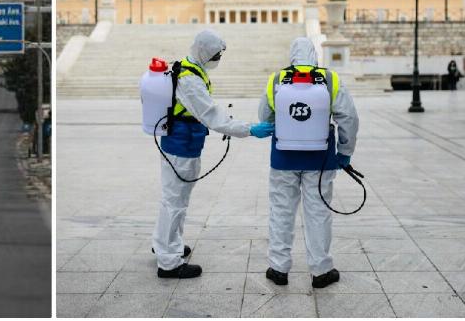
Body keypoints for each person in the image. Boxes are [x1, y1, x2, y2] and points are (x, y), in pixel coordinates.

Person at [154, 29, 274, 279]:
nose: (218, 58)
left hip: (183, 142)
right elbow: (212, 116)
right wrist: (249, 129)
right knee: (175, 201)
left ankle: (168, 245)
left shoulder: (190, 68)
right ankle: (168, 262)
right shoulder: (190, 80)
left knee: (174, 199)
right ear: (204, 52)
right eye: (215, 54)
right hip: (181, 145)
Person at [257, 37, 359, 288]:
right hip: (320, 159)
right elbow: (349, 118)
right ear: (314, 55)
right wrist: (345, 152)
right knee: (318, 212)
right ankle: (321, 270)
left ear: (292, 56)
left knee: (281, 211)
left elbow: (264, 116)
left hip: (283, 158)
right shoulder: (330, 80)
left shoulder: (277, 79)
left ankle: (278, 268)